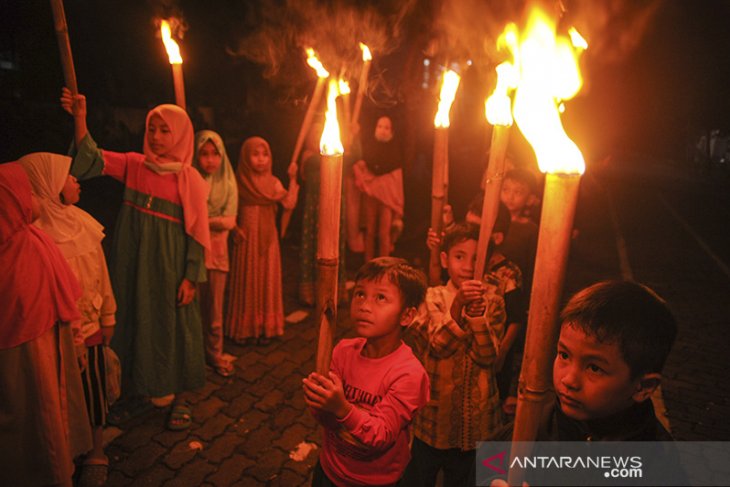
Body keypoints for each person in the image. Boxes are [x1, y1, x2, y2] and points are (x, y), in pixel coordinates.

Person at [61, 87, 210, 430]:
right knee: (134, 319)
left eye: (164, 130)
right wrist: (80, 118)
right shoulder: (134, 165)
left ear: (180, 135)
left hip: (170, 268)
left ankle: (179, 396)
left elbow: (197, 234)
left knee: (173, 326)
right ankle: (140, 392)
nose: (156, 137)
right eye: (151, 129)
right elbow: (90, 158)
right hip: (132, 262)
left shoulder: (190, 180)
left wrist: (190, 277)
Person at [485, 280, 681, 485]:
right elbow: (488, 464)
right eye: (564, 355)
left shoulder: (656, 463)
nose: (568, 380)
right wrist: (491, 481)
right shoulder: (537, 423)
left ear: (643, 387)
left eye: (594, 368)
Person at [18, 152, 117, 486]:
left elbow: (102, 274)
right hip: (58, 334)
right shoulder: (36, 233)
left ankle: (97, 449)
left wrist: (108, 314)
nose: (76, 181)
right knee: (62, 392)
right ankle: (67, 448)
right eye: (68, 176)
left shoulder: (83, 223)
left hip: (89, 328)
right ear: (48, 185)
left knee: (93, 389)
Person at [0, 162, 92, 487]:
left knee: (51, 415)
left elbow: (61, 290)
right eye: (26, 192)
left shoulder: (31, 239)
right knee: (37, 418)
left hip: (53, 344)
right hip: (28, 355)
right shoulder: (10, 259)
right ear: (11, 202)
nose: (34, 197)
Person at [303, 257, 430, 487]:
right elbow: (327, 421)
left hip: (377, 481)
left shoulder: (409, 374)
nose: (364, 305)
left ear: (406, 316)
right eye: (360, 293)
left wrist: (341, 407)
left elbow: (381, 435)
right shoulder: (343, 351)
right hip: (330, 470)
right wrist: (318, 401)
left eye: (380, 297)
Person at [403, 223, 509, 487]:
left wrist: (476, 318)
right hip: (433, 420)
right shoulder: (432, 297)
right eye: (459, 256)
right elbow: (438, 346)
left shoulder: (494, 301)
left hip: (477, 423)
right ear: (444, 259)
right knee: (418, 478)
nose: (468, 265)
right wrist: (459, 306)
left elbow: (487, 358)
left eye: (476, 259)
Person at [224, 136, 298, 346]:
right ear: (246, 158)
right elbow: (230, 209)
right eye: (255, 154)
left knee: (267, 278)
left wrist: (292, 178)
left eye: (265, 154)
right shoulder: (238, 182)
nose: (261, 159)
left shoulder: (273, 182)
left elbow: (289, 202)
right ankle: (245, 328)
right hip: (246, 239)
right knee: (247, 278)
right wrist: (235, 229)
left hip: (268, 240)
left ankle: (267, 327)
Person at [192, 130, 238, 378]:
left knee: (215, 311)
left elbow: (230, 221)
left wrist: (203, 220)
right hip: (194, 253)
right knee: (193, 308)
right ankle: (193, 356)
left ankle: (215, 353)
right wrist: (211, 220)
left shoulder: (228, 182)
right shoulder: (190, 178)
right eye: (204, 154)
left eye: (215, 154)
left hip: (218, 254)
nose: (210, 160)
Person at [298, 122, 347, 307]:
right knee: (315, 246)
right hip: (314, 206)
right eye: (316, 132)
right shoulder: (309, 157)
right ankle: (312, 293)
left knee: (333, 246)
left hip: (334, 203)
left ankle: (333, 293)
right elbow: (312, 163)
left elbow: (351, 158)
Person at [353, 116, 404, 261]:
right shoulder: (368, 147)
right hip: (371, 195)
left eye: (386, 127)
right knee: (369, 231)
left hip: (387, 198)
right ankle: (368, 264)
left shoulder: (395, 153)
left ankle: (384, 265)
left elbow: (395, 178)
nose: (382, 130)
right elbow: (364, 168)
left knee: (384, 233)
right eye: (380, 126)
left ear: (392, 131)